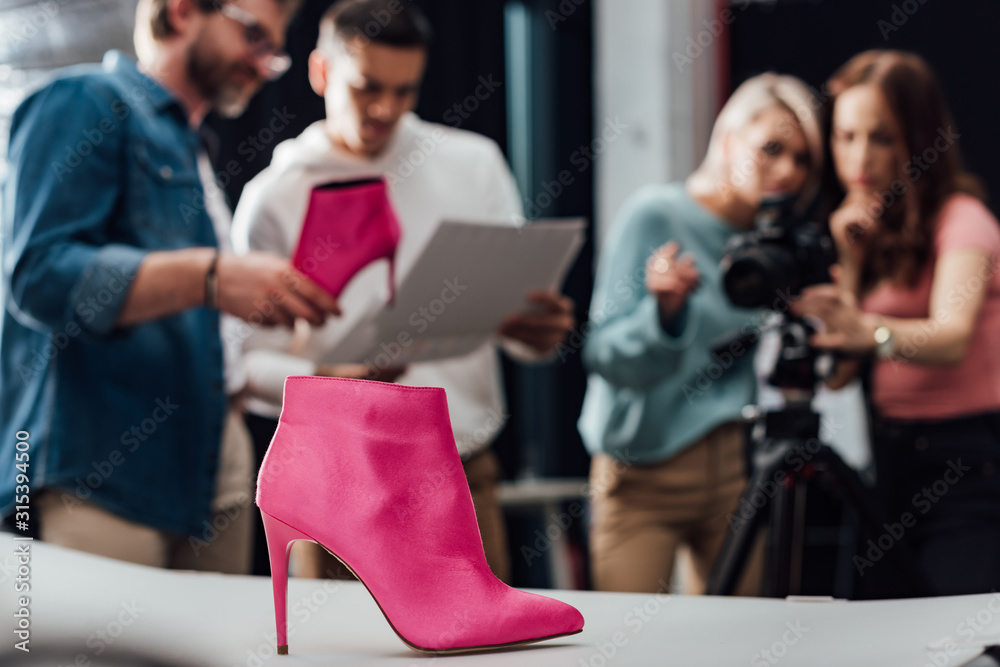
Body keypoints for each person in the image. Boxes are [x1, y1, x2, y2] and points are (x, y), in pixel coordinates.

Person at [231, 0, 575, 583]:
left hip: (460, 468)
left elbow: (518, 330)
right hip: (337, 477)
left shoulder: (474, 164)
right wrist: (328, 381)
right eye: (367, 88)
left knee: (480, 648)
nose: (386, 109)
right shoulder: (275, 195)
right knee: (341, 651)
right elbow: (241, 362)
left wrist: (536, 333)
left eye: (404, 90)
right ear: (320, 73)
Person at [0, 0, 340, 573]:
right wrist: (211, 276)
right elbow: (38, 276)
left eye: (273, 53)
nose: (262, 64)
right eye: (254, 37)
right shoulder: (83, 100)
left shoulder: (193, 147)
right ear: (182, 11)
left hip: (211, 465)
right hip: (105, 467)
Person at [578, 73, 824, 594]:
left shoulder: (772, 245)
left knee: (740, 644)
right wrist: (664, 317)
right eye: (773, 149)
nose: (787, 172)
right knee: (628, 646)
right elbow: (603, 355)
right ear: (729, 139)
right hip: (643, 473)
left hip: (735, 472)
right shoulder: (655, 214)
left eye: (802, 159)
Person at [793, 50, 1000, 597]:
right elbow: (837, 373)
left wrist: (868, 330)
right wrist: (851, 261)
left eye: (881, 138)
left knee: (959, 638)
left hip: (964, 463)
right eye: (846, 136)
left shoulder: (963, 219)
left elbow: (952, 337)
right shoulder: (868, 229)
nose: (860, 159)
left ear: (920, 137)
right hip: (887, 460)